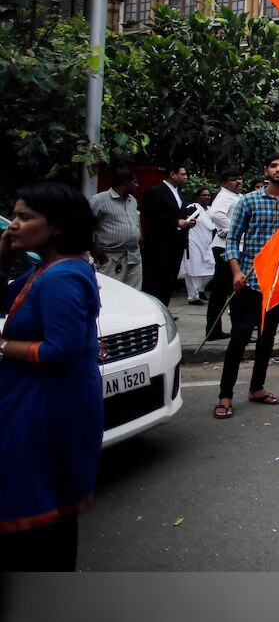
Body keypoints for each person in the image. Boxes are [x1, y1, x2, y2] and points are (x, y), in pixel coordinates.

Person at [0, 182, 103, 570]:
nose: (13, 224)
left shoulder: (62, 276)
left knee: (44, 513)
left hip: (46, 406)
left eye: (25, 217)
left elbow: (60, 350)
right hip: (34, 399)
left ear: (57, 226)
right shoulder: (46, 269)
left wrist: (2, 346)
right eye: (14, 215)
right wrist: (5, 259)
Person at [214, 153, 279, 419]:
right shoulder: (249, 201)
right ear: (266, 170)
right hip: (250, 283)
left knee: (267, 340)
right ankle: (225, 394)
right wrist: (236, 272)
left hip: (278, 285)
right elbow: (232, 240)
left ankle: (257, 388)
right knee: (240, 338)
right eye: (274, 165)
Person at [141, 163, 196, 307]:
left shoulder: (179, 194)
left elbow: (180, 214)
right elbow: (153, 215)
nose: (185, 177)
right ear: (173, 174)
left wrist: (188, 221)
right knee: (156, 281)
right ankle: (153, 309)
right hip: (159, 245)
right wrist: (175, 222)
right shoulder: (155, 192)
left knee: (169, 281)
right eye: (182, 174)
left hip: (176, 245)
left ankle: (164, 307)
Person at [205, 169, 243, 340]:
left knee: (222, 291)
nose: (238, 182)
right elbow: (215, 214)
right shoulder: (224, 197)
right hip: (225, 248)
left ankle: (215, 330)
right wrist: (233, 229)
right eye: (233, 179)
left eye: (240, 179)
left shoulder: (236, 196)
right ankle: (237, 331)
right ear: (224, 182)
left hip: (231, 246)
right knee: (232, 290)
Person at [89, 167, 143, 288]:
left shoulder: (132, 200)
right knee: (111, 293)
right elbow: (84, 226)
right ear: (125, 183)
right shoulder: (99, 200)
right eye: (134, 182)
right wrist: (96, 251)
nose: (137, 185)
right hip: (111, 258)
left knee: (133, 296)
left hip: (133, 256)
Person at [180, 187, 216, 304]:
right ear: (198, 197)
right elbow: (184, 221)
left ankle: (200, 289)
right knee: (193, 269)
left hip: (207, 244)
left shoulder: (211, 210)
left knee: (211, 267)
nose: (206, 197)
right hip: (193, 243)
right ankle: (193, 296)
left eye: (208, 195)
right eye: (203, 195)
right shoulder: (193, 208)